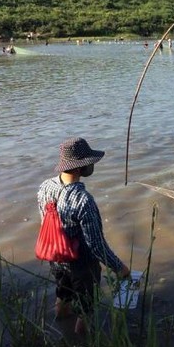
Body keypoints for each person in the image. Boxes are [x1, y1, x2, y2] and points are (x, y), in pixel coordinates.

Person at [37, 137, 130, 335]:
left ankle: (62, 331)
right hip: (82, 265)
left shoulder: (45, 187)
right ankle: (81, 343)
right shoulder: (83, 200)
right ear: (80, 168)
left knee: (63, 296)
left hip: (57, 259)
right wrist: (119, 268)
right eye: (89, 162)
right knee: (86, 311)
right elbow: (96, 245)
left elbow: (44, 220)